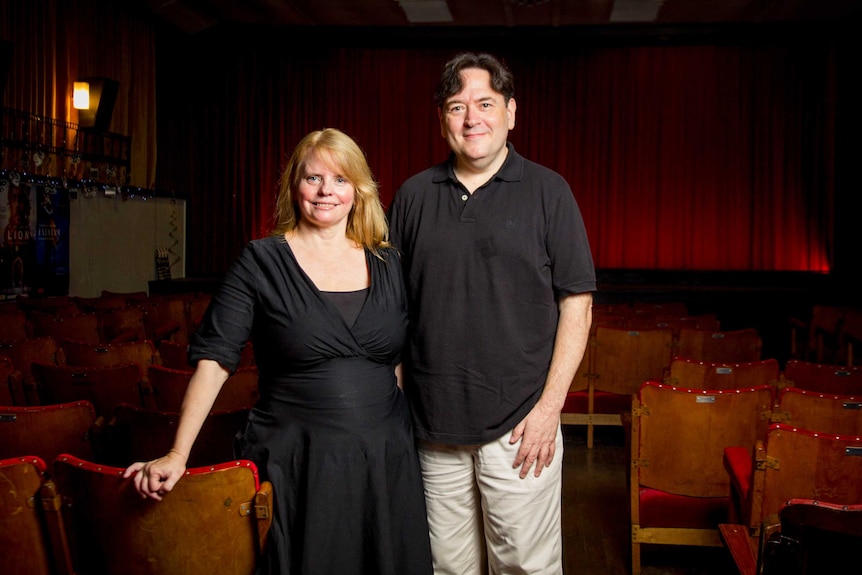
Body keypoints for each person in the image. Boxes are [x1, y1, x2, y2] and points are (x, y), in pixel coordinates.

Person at [124, 128, 433, 575]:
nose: (327, 191)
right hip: (298, 461)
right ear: (294, 186)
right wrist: (178, 453)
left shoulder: (388, 263)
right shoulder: (260, 261)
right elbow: (214, 362)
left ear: (359, 190)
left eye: (340, 180)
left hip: (385, 460)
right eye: (314, 178)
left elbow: (395, 364)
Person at [387, 52, 596, 574]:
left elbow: (579, 305)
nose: (471, 118)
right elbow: (391, 308)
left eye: (484, 103)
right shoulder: (412, 197)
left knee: (524, 568)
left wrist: (550, 410)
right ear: (442, 119)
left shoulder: (550, 192)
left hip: (522, 428)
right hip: (432, 426)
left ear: (510, 112)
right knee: (447, 567)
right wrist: (395, 398)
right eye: (457, 107)